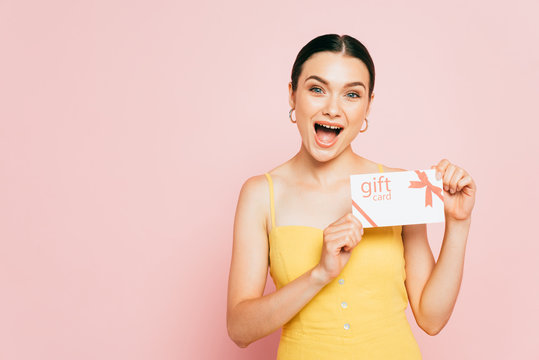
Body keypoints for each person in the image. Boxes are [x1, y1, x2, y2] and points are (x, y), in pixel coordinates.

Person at [226, 34, 476, 359]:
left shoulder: (401, 186)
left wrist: (458, 223)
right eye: (317, 89)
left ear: (368, 105)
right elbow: (239, 329)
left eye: (352, 95)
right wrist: (320, 274)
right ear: (292, 95)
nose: (332, 109)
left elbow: (431, 318)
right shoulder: (260, 194)